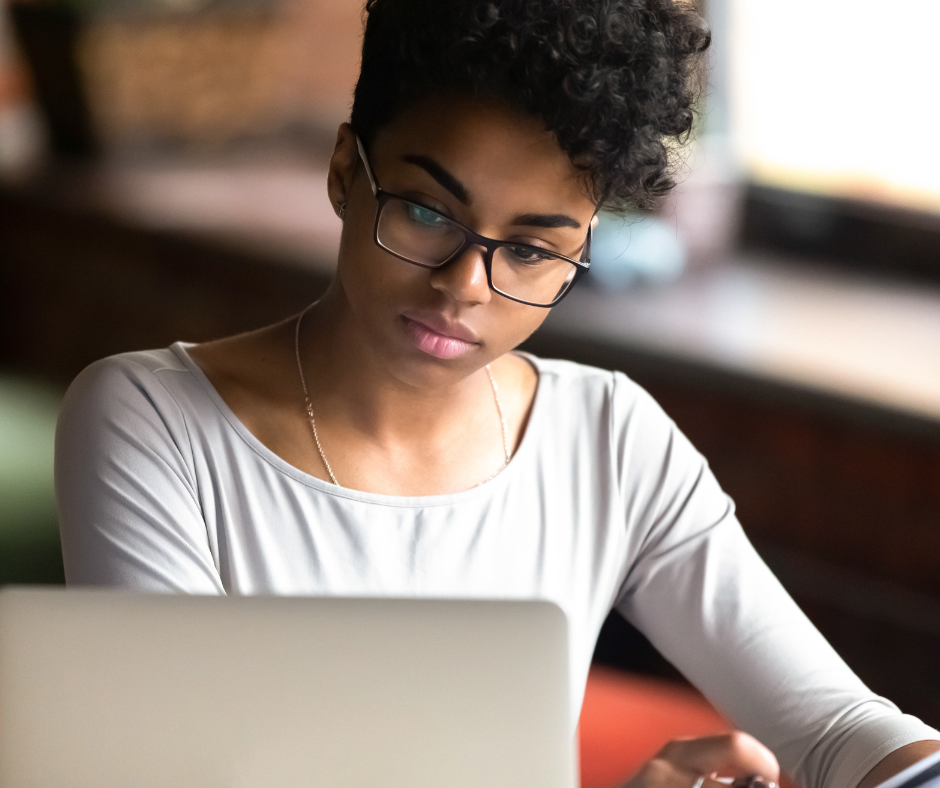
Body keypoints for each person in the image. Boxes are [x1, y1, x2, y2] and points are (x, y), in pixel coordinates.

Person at [54, 1, 939, 787]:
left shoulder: (608, 439)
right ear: (343, 174)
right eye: (429, 212)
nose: (466, 285)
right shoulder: (152, 426)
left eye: (531, 249)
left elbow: (833, 728)